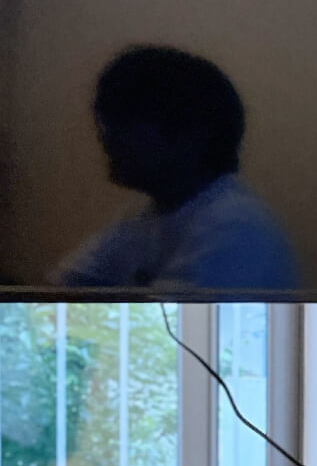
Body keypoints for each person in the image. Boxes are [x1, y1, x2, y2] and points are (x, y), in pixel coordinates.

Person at [55, 45, 299, 292]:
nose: (107, 138)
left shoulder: (235, 226)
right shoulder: (145, 217)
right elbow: (64, 288)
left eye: (124, 123)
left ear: (190, 134)